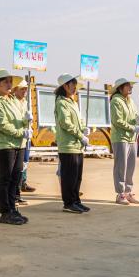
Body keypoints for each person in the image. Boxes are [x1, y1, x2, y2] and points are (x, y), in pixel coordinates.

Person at [0, 70, 28, 225]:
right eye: (6, 82)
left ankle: (12, 208)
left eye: (10, 81)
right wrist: (21, 132)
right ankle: (5, 211)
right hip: (6, 145)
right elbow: (2, 125)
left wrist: (26, 121)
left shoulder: (13, 100)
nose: (9, 84)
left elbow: (19, 120)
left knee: (16, 178)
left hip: (19, 143)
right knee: (6, 178)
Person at [54, 73, 89, 214]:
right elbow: (66, 123)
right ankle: (68, 203)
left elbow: (79, 120)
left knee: (77, 176)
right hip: (68, 145)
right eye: (72, 85)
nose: (75, 88)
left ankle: (76, 201)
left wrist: (84, 129)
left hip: (77, 145)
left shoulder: (73, 102)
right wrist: (80, 135)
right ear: (65, 86)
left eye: (75, 85)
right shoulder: (61, 102)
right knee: (69, 176)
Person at [109, 77, 139, 206]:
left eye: (131, 86)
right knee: (121, 167)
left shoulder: (131, 101)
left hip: (132, 138)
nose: (131, 87)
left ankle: (128, 192)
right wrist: (132, 128)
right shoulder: (116, 101)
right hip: (120, 138)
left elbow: (133, 116)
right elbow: (117, 121)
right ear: (120, 88)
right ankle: (120, 193)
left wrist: (137, 120)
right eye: (128, 85)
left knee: (131, 166)